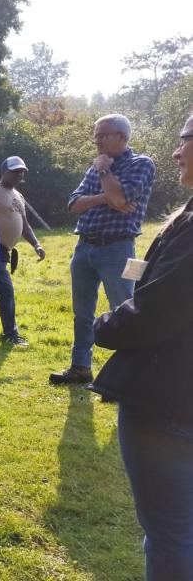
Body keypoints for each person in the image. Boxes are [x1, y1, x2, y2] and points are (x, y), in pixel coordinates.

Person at [88, 113, 193, 580]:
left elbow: (156, 313)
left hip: (170, 405)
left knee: (170, 535)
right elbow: (77, 204)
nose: (177, 151)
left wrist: (104, 326)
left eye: (185, 139)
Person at [50, 113, 156, 385]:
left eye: (102, 135)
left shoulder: (141, 164)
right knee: (82, 313)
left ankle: (126, 377)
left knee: (123, 312)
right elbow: (73, 205)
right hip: (84, 247)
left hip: (118, 249)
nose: (96, 140)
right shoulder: (95, 167)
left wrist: (106, 176)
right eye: (95, 134)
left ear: (121, 136)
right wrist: (104, 197)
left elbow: (120, 197)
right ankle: (80, 367)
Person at [0, 157, 46, 347]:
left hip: (5, 250)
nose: (19, 175)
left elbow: (25, 225)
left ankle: (7, 333)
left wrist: (36, 245)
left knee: (0, 291)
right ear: (4, 171)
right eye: (15, 171)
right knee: (4, 290)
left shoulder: (18, 196)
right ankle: (11, 334)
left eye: (21, 172)